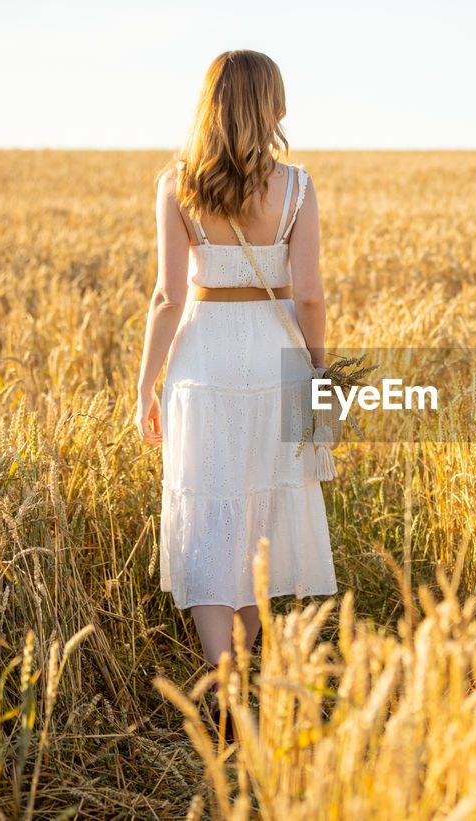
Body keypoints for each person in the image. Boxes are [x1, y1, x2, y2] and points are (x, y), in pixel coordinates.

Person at [133, 50, 339, 683]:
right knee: (262, 516)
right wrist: (322, 378)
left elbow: (169, 297)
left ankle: (223, 684)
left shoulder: (177, 184)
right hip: (279, 363)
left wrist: (146, 386)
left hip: (203, 361)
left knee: (209, 517)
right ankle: (245, 679)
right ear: (270, 104)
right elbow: (309, 296)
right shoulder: (297, 186)